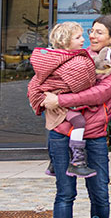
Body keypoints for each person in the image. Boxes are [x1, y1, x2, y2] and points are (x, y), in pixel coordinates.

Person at [39, 15, 111, 218]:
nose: (92, 35)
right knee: (66, 193)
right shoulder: (75, 56)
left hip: (95, 137)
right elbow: (42, 82)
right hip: (62, 133)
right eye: (91, 31)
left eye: (99, 32)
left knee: (100, 193)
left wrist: (61, 100)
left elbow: (100, 93)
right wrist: (42, 100)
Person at [28, 21, 103, 178]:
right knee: (79, 122)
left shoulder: (51, 57)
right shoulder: (74, 60)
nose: (83, 39)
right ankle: (77, 160)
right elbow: (82, 82)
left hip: (55, 101)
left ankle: (54, 164)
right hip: (59, 104)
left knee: (57, 129)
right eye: (77, 37)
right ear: (65, 41)